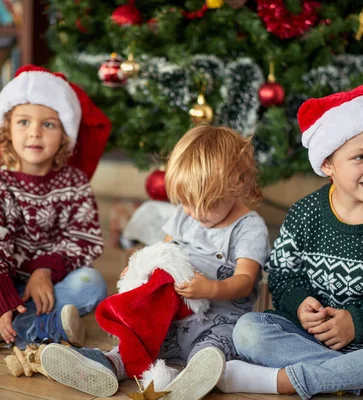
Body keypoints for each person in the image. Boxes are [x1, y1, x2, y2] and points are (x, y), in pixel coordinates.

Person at [216, 84, 363, 400]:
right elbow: (284, 276)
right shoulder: (305, 213)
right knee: (248, 330)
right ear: (327, 163)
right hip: (314, 337)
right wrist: (300, 304)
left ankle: (284, 381)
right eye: (360, 157)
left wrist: (359, 322)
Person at [38, 125, 271, 399]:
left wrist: (210, 289)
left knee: (214, 346)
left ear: (238, 183)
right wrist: (141, 267)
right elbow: (164, 249)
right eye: (186, 202)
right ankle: (107, 364)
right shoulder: (185, 217)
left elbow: (244, 282)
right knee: (141, 334)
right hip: (172, 315)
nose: (195, 213)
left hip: (219, 317)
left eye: (208, 203)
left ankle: (195, 375)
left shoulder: (249, 228)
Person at [0, 65, 111, 348]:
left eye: (48, 124)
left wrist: (44, 271)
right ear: (6, 129)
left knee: (92, 282)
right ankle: (34, 327)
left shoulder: (75, 182)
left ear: (65, 136)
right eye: (23, 122)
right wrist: (1, 294)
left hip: (51, 287)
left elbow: (83, 239)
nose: (35, 133)